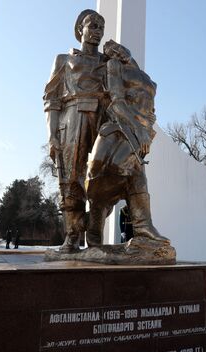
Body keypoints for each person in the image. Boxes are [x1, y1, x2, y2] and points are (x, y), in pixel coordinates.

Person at [84, 39, 168, 245]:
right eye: (110, 49)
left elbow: (151, 110)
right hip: (120, 127)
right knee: (104, 177)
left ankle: (143, 226)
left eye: (116, 46)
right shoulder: (114, 67)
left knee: (137, 174)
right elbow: (117, 101)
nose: (115, 50)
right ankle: (95, 231)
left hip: (142, 131)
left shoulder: (145, 77)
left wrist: (146, 129)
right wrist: (138, 129)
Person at [43, 9, 108, 252]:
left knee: (108, 176)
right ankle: (72, 235)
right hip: (72, 119)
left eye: (101, 27)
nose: (97, 32)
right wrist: (52, 135)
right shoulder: (64, 59)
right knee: (71, 179)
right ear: (80, 29)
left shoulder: (108, 62)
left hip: (103, 119)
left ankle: (93, 229)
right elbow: (51, 100)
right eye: (93, 26)